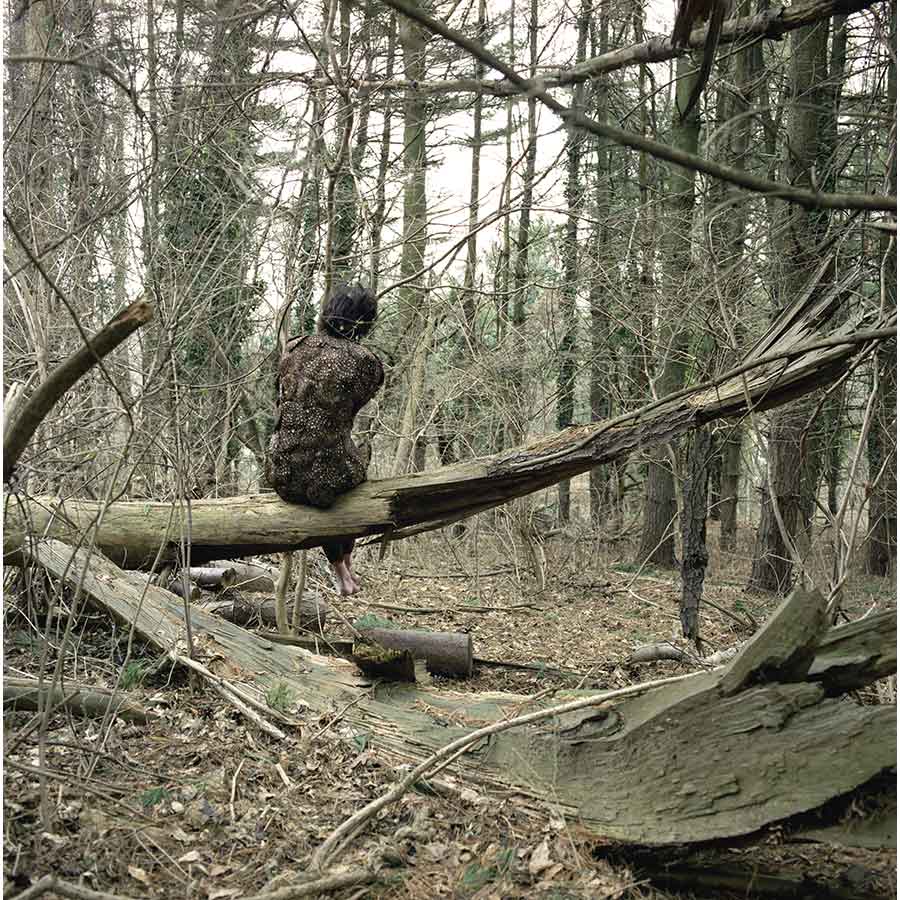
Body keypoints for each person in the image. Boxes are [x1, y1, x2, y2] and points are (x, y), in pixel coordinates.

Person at [266, 283, 383, 595]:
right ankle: (344, 563)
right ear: (363, 321)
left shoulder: (294, 346)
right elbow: (353, 406)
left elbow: (278, 397)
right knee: (346, 472)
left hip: (281, 472)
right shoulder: (365, 361)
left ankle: (341, 569)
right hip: (325, 478)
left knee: (329, 461)